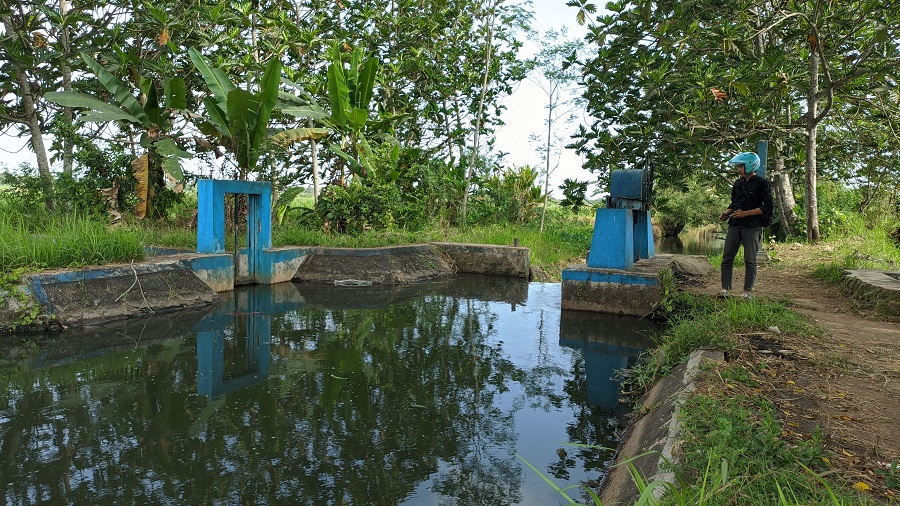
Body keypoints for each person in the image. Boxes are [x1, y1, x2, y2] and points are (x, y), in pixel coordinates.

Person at [718, 152, 774, 299]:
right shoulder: (738, 183)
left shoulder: (762, 184)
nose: (739, 169)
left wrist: (746, 213)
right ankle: (725, 290)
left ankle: (747, 292)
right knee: (727, 258)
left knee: (750, 260)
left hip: (752, 226)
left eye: (741, 166)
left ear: (750, 166)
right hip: (735, 225)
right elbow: (734, 203)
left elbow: (767, 207)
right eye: (738, 167)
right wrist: (726, 213)